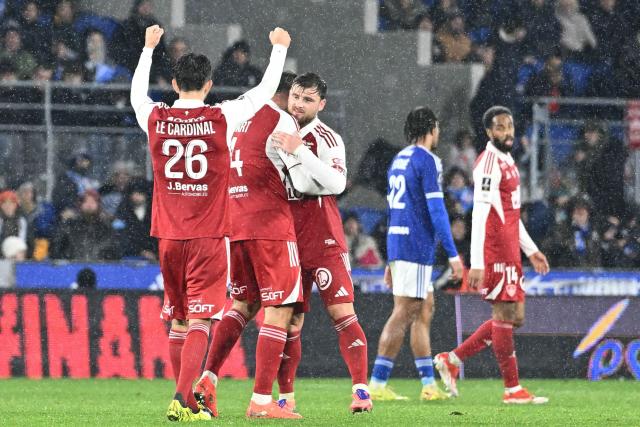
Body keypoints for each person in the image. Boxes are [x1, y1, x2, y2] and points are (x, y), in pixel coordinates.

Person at [130, 24, 290, 421]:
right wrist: (279, 50)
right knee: (203, 318)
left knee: (179, 318)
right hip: (208, 233)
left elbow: (135, 94)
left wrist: (148, 48)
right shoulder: (222, 116)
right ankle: (183, 399)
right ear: (209, 83)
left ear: (173, 83)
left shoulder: (156, 117)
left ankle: (181, 398)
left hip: (166, 235)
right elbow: (263, 93)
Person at [193, 71, 304, 419]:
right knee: (281, 309)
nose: (299, 107)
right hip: (271, 225)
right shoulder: (282, 119)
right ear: (286, 95)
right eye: (297, 98)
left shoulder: (235, 116)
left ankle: (207, 379)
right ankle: (260, 401)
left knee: (242, 303)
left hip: (236, 223)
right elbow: (299, 177)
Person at [434, 106, 550, 404]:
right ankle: (512, 390)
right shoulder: (487, 163)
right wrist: (476, 261)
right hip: (496, 248)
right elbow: (481, 212)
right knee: (503, 315)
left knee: (516, 318)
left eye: (509, 125)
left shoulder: (507, 160)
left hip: (512, 247)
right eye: (500, 127)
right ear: (488, 132)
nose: (507, 131)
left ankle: (453, 359)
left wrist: (532, 249)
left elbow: (511, 214)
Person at [271, 72, 373, 413]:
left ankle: (361, 390)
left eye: (308, 99)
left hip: (325, 239)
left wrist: (299, 151)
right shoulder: (274, 132)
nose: (299, 103)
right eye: (296, 96)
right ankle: (285, 398)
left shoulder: (328, 138)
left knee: (342, 313)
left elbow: (338, 184)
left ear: (321, 105)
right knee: (289, 322)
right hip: (287, 239)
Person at [367, 107, 463, 401]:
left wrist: (391, 260)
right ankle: (377, 384)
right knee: (405, 311)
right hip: (415, 244)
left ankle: (428, 385)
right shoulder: (428, 160)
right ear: (432, 129)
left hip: (399, 242)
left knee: (423, 309)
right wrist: (453, 253)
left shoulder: (400, 158)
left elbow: (396, 207)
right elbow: (436, 209)